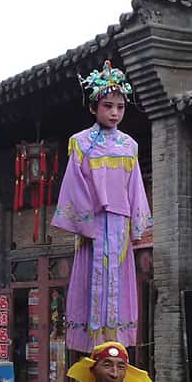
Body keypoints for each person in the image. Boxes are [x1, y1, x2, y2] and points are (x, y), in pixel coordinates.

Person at [51, 61, 152, 352]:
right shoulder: (80, 143)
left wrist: (137, 225)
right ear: (94, 107)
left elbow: (135, 187)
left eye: (120, 107)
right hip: (93, 223)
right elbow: (74, 184)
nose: (115, 113)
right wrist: (86, 224)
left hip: (119, 224)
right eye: (108, 106)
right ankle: (93, 343)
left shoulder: (130, 145)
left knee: (119, 280)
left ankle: (115, 343)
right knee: (91, 278)